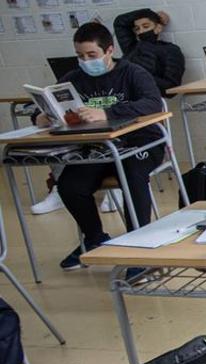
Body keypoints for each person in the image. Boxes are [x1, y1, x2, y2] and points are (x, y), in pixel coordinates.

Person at [36, 22, 164, 271]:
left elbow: (152, 104)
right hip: (99, 147)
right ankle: (94, 239)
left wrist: (107, 112)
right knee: (70, 185)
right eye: (80, 56)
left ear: (109, 51)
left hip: (142, 142)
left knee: (133, 177)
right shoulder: (74, 79)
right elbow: (49, 103)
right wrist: (41, 116)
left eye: (91, 55)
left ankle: (139, 248)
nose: (85, 61)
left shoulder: (133, 73)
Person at [112, 9, 184, 91]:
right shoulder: (131, 47)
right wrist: (149, 13)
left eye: (146, 26)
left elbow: (171, 86)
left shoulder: (170, 50)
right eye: (137, 29)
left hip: (148, 97)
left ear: (158, 28)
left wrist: (137, 77)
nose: (141, 31)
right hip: (119, 94)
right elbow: (120, 22)